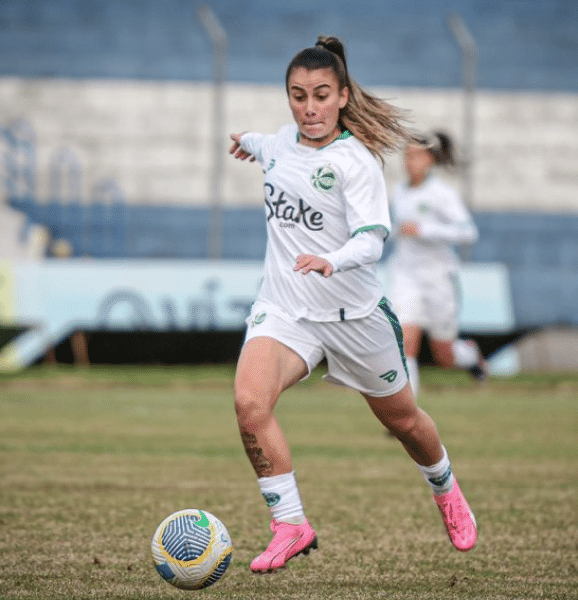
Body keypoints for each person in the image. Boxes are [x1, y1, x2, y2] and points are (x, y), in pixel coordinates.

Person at [227, 35, 477, 574]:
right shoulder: (279, 144)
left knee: (404, 421)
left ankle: (446, 489)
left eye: (321, 95)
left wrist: (330, 260)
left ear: (342, 96)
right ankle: (290, 525)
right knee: (250, 403)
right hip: (287, 310)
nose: (309, 108)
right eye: (298, 96)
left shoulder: (355, 161)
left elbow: (371, 241)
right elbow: (268, 145)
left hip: (355, 318)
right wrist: (246, 141)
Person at [388, 131, 487, 398]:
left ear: (430, 159)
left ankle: (470, 355)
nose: (410, 161)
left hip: (438, 278)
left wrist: (424, 229)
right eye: (407, 155)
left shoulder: (441, 194)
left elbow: (468, 232)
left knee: (444, 355)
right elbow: (399, 230)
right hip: (406, 275)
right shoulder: (399, 191)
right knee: (405, 341)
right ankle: (407, 409)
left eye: (416, 155)